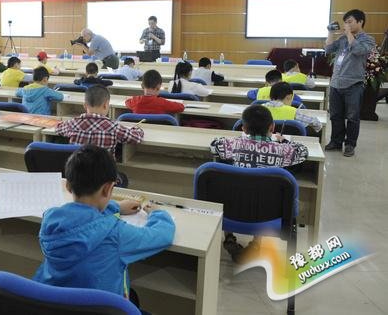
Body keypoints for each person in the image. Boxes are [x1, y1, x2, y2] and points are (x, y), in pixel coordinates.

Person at [33, 144, 175, 313]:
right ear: (108, 188)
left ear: (68, 186)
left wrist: (115, 207)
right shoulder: (116, 233)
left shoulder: (50, 222)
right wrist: (158, 213)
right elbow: (162, 235)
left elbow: (86, 217)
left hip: (58, 307)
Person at [210, 105, 309, 262]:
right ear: (272, 127)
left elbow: (214, 144)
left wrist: (239, 140)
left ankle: (229, 238)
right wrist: (282, 140)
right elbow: (303, 151)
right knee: (262, 192)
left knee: (233, 191)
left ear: (244, 128)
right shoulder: (282, 151)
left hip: (231, 212)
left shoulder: (232, 145)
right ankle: (256, 243)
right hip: (268, 214)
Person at [56, 85, 144, 158]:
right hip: (104, 173)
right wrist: (137, 129)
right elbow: (137, 138)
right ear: (105, 105)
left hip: (78, 172)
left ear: (85, 106)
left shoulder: (73, 123)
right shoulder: (113, 127)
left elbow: (58, 128)